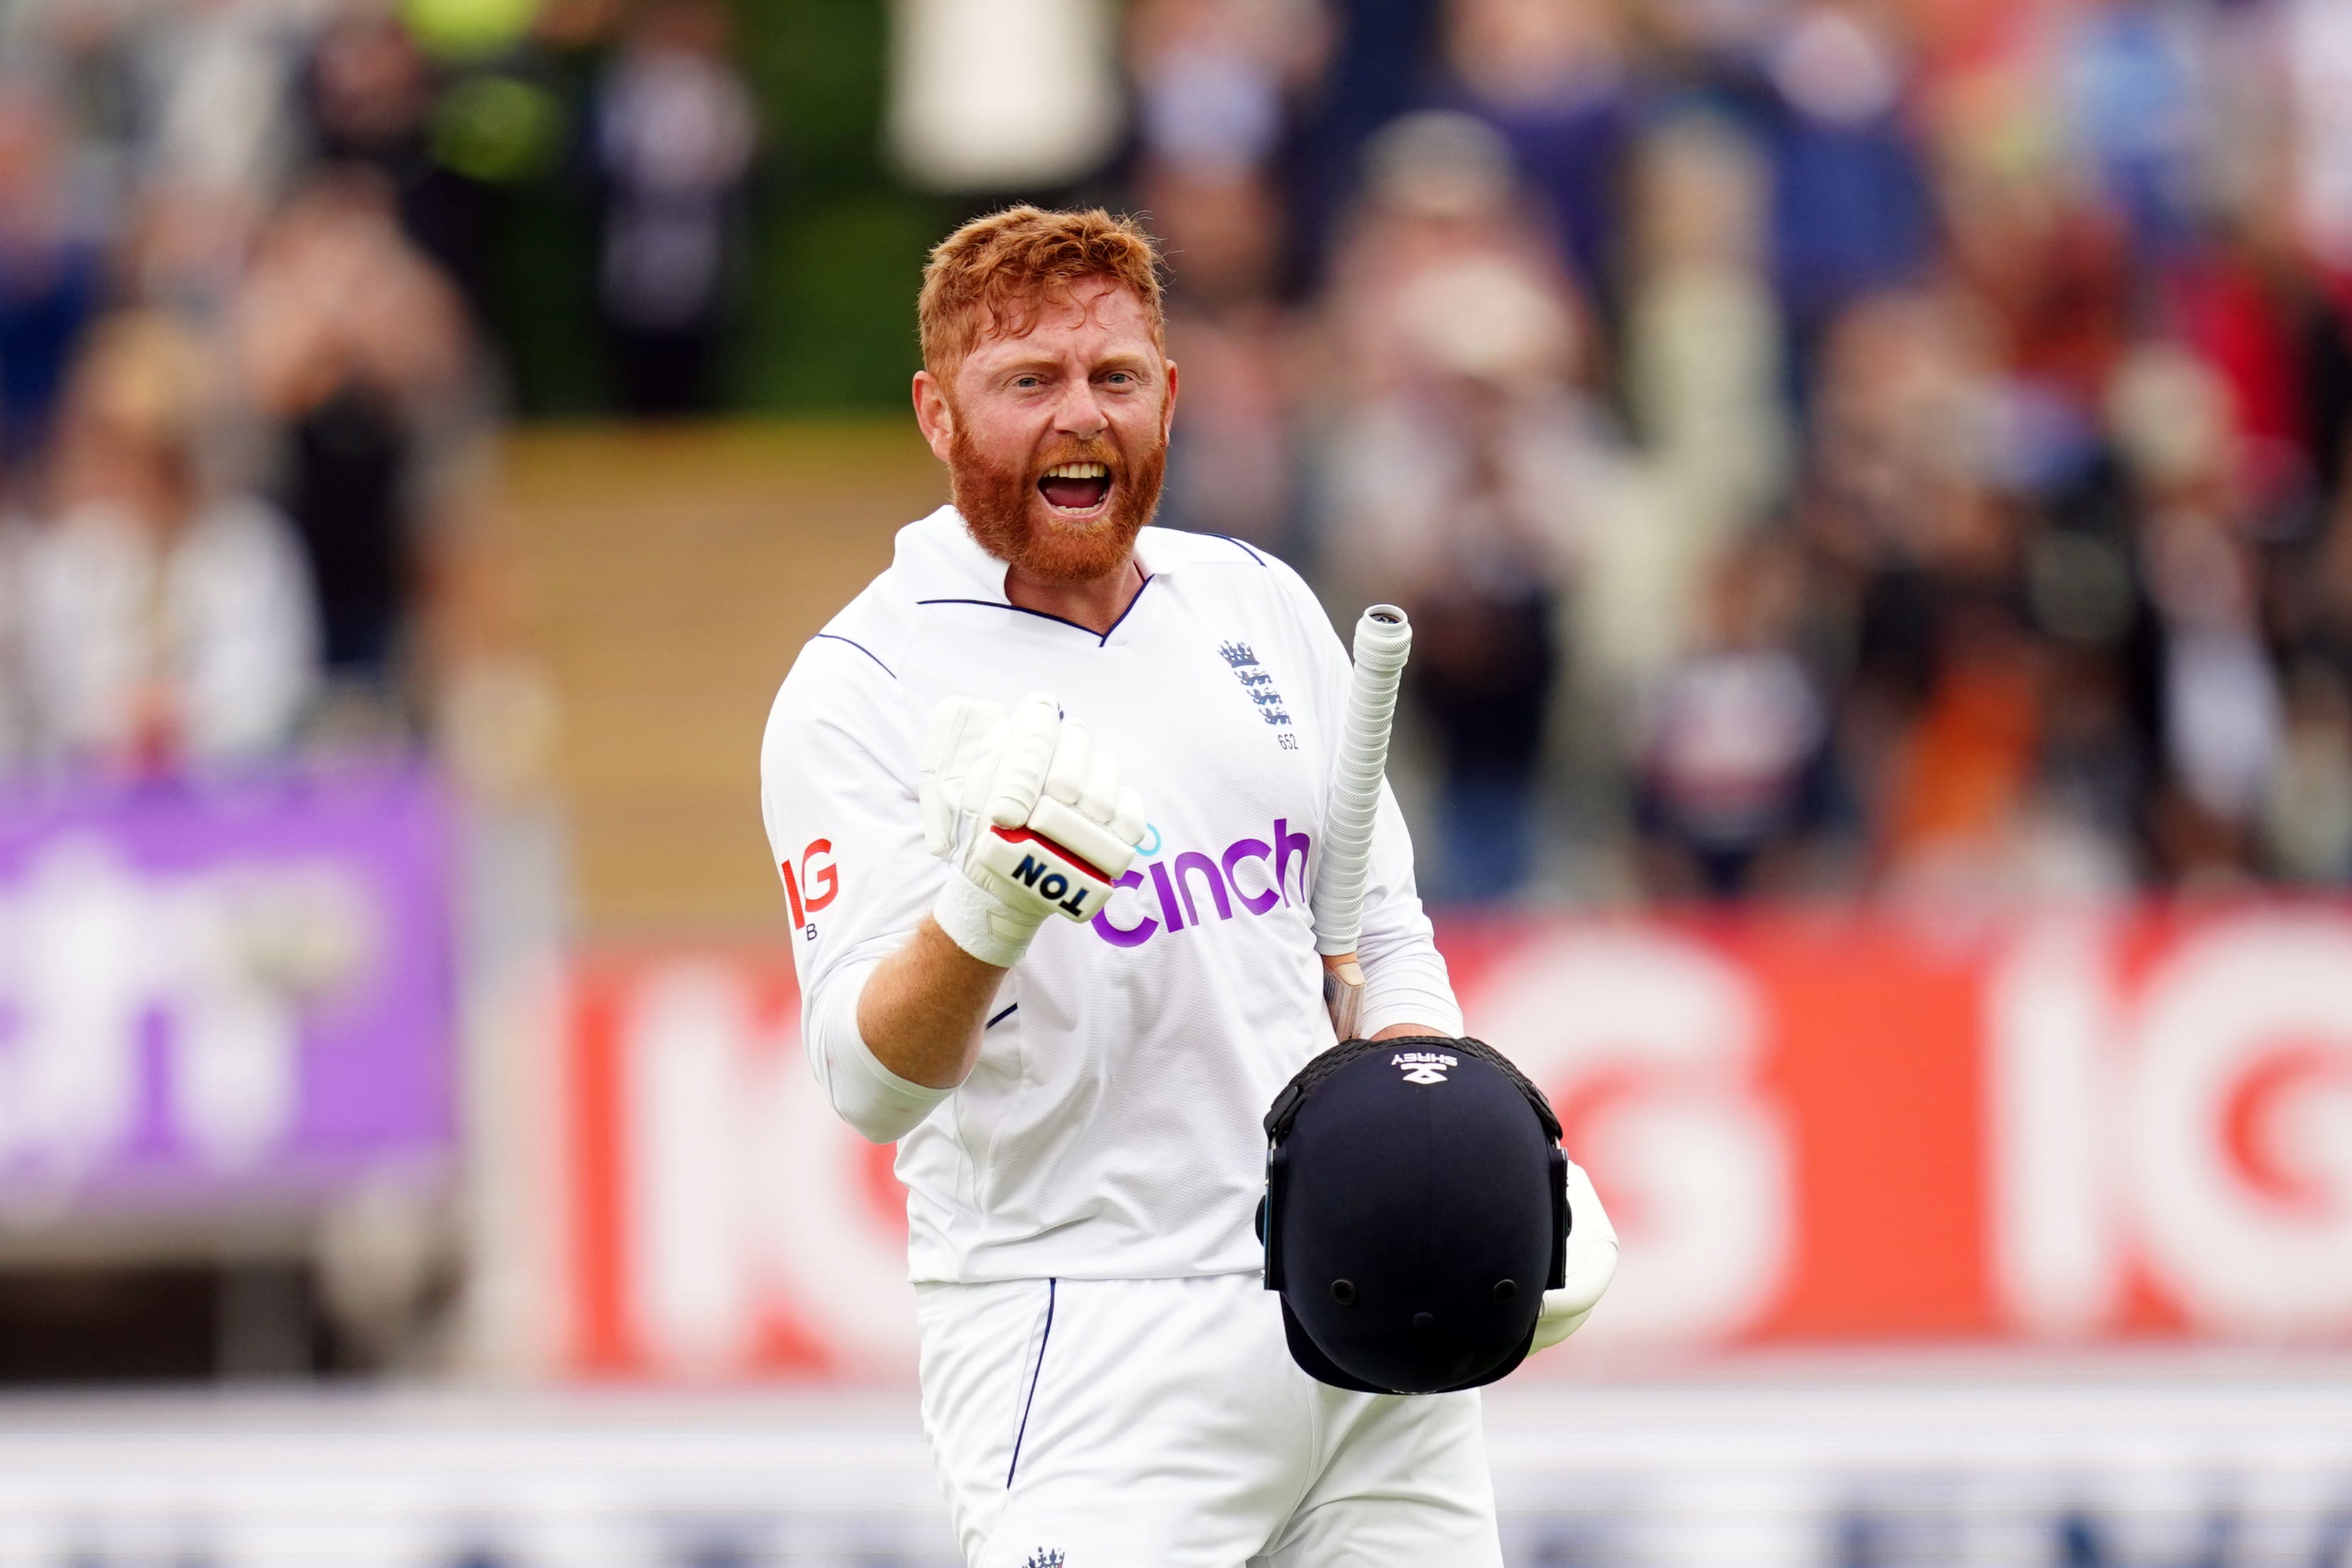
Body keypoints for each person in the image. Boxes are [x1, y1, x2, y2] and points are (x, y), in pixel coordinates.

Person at [758, 207, 1611, 1567]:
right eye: (1025, 382)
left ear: (1170, 394)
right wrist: (991, 908)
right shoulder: (859, 690)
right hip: (1088, 1336)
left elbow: (1378, 926)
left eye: (1112, 378)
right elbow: (869, 1085)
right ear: (937, 414)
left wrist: (1447, 1143)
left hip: (1354, 1308)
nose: (1077, 418)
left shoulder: (1253, 598)